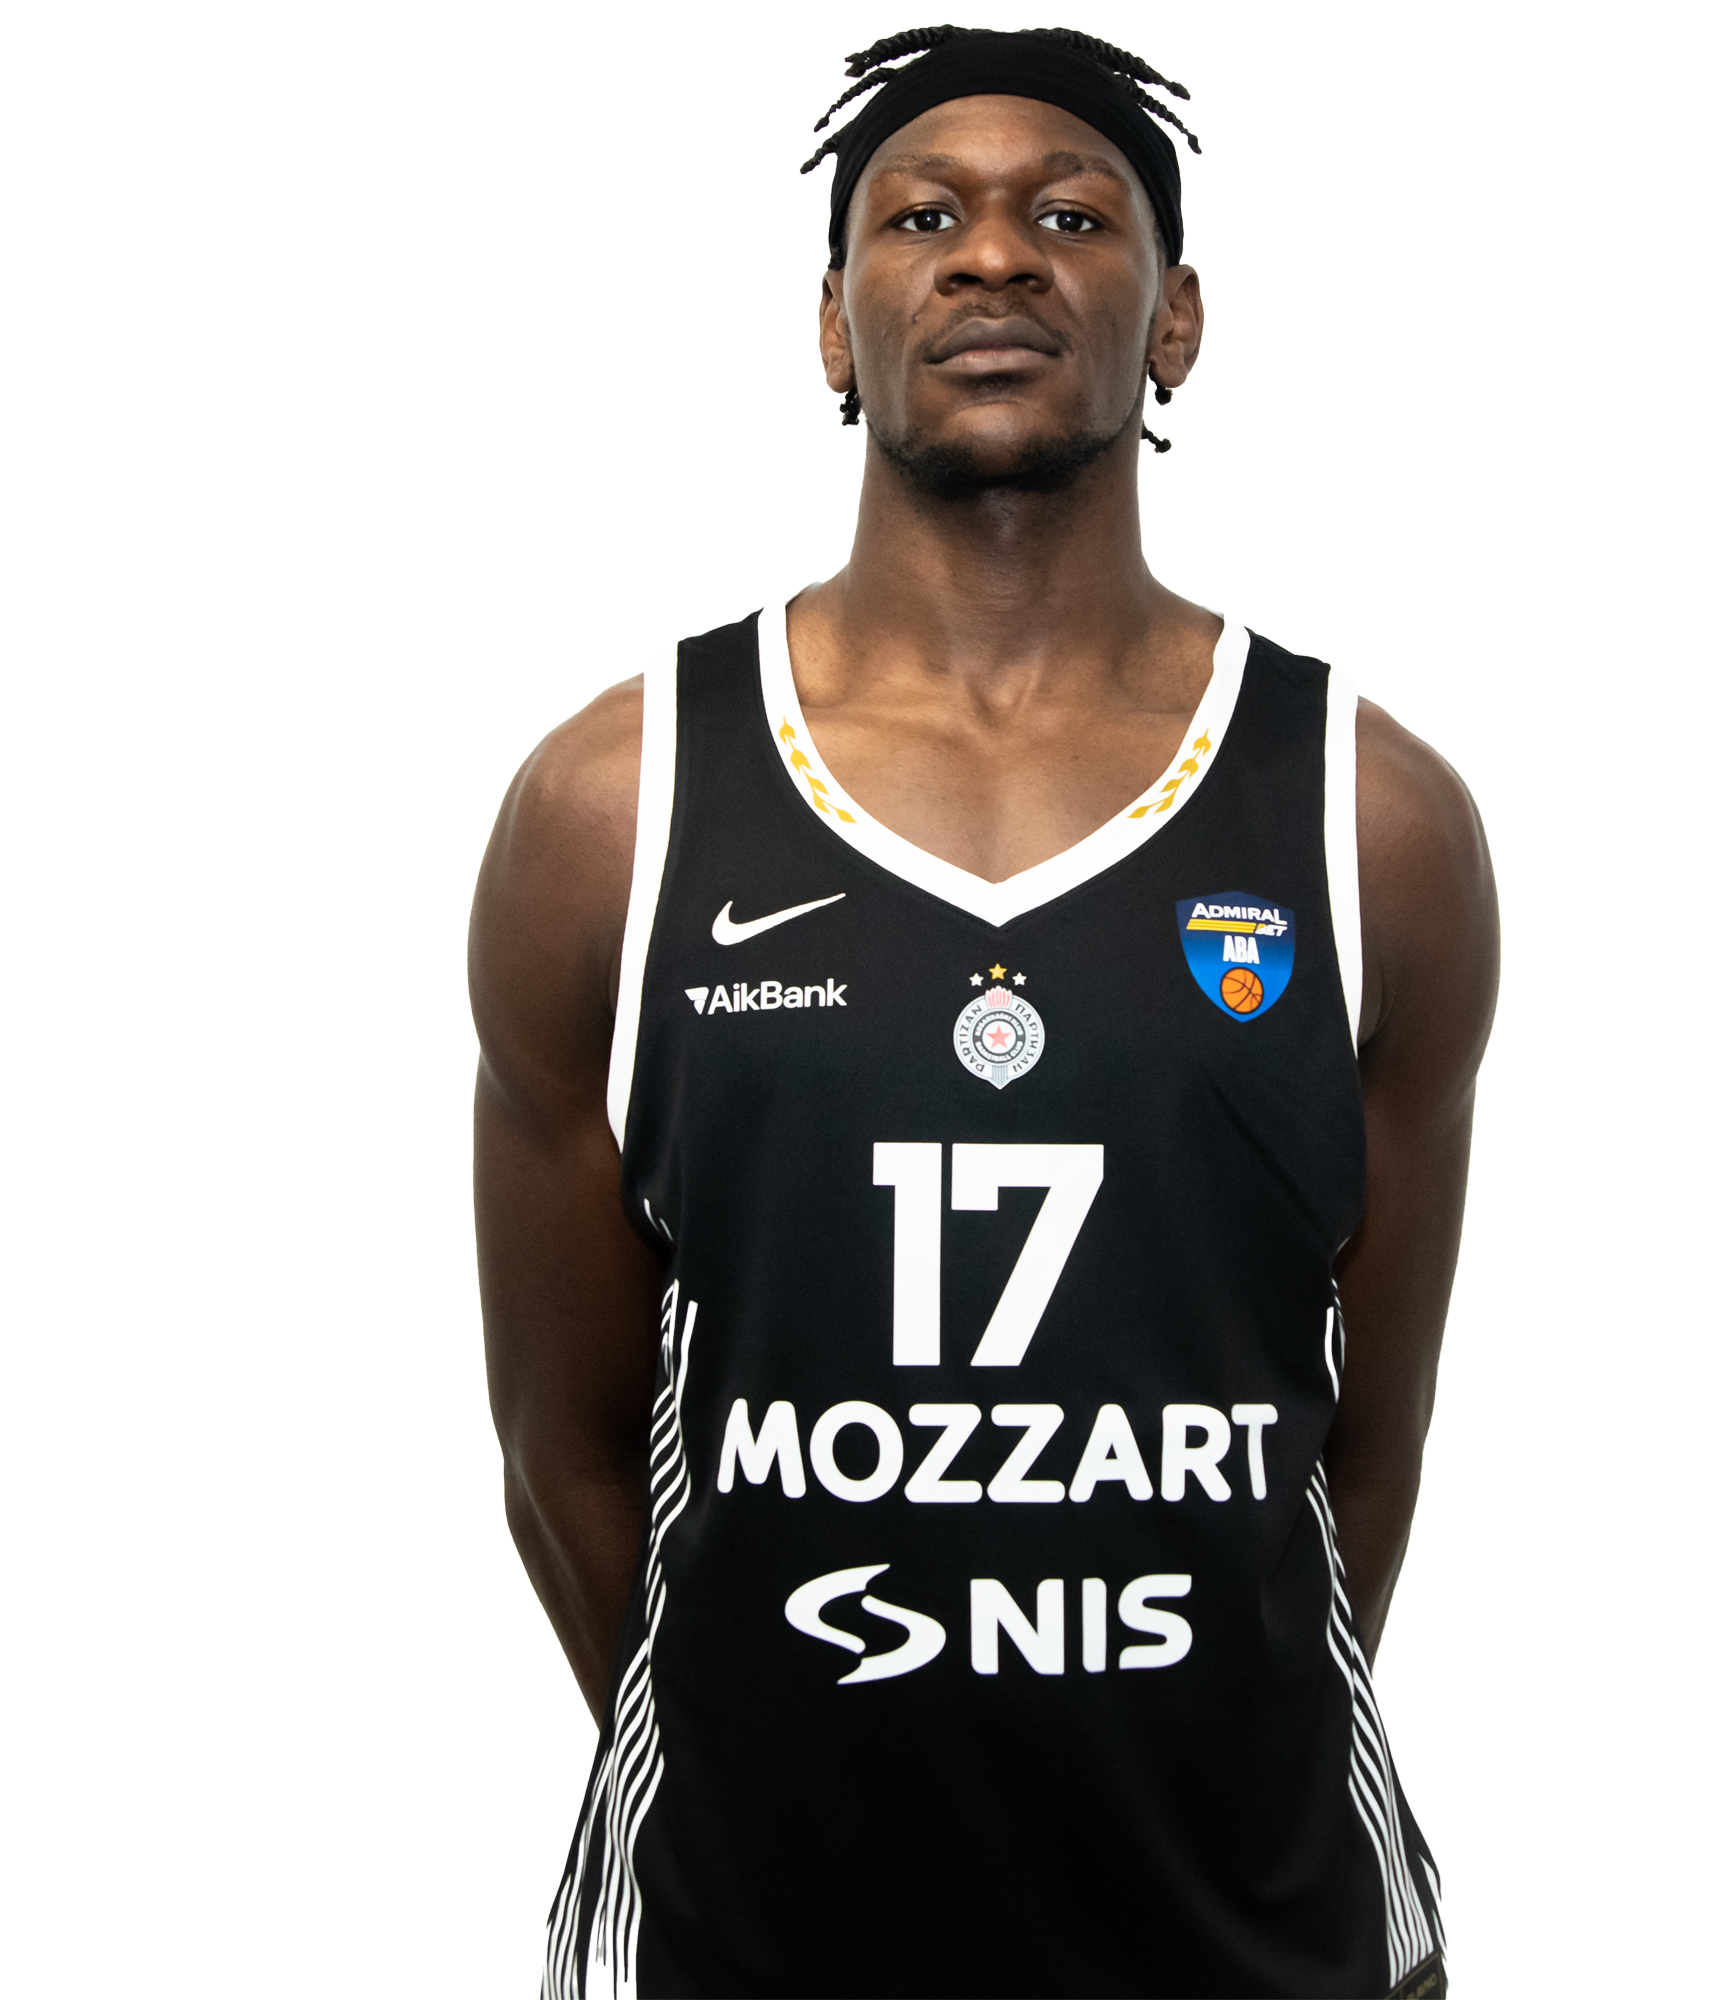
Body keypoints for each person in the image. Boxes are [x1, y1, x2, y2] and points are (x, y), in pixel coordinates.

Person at [470, 25, 1498, 2000]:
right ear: (835, 328)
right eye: (924, 215)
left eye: (1074, 217)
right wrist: (794, 1774)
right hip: (744, 1933)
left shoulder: (1370, 819)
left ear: (1173, 321)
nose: (997, 254)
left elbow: (1355, 1454)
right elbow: (559, 1451)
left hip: (1256, 1926)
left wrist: (1177, 1744)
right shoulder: (616, 809)